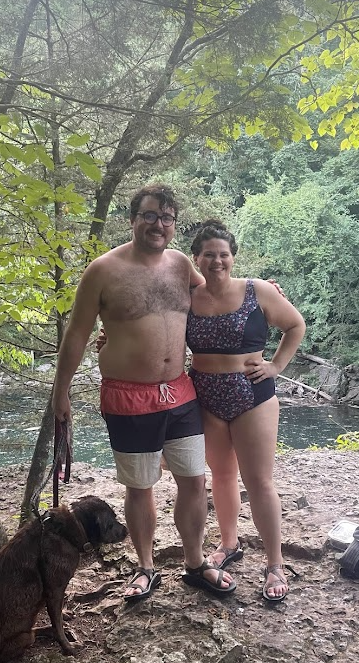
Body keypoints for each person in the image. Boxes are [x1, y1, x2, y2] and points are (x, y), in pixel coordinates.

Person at [51, 185, 236, 601]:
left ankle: (194, 562)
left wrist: (258, 290)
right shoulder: (103, 270)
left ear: (174, 225)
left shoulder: (182, 264)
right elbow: (78, 333)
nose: (159, 224)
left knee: (194, 481)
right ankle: (146, 567)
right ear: (132, 219)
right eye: (150, 215)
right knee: (141, 488)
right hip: (128, 398)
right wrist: (60, 393)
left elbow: (217, 292)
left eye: (167, 218)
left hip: (180, 392)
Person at [187, 220, 306, 601]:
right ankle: (229, 544)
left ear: (232, 257)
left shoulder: (259, 291)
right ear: (197, 259)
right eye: (209, 254)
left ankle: (274, 563)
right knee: (221, 476)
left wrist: (276, 365)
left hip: (253, 395)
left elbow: (295, 325)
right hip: (205, 395)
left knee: (260, 482)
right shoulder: (187, 295)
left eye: (223, 254)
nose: (217, 261)